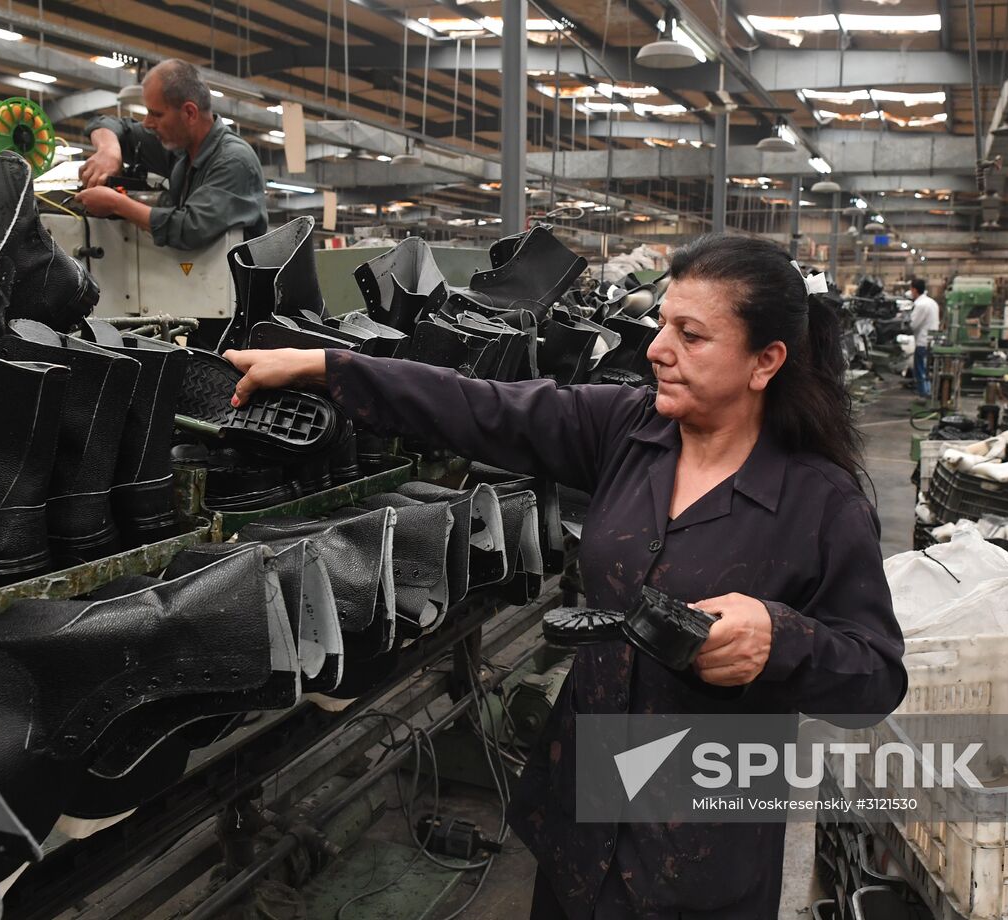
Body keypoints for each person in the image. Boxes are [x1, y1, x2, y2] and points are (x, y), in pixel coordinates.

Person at [223, 235, 907, 919]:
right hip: (582, 819)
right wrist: (325, 366)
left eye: (690, 335)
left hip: (695, 849)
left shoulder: (820, 504)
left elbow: (875, 679)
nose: (658, 348)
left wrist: (779, 639)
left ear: (766, 361)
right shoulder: (626, 430)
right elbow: (477, 406)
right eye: (663, 323)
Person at [73, 59, 268, 250]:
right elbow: (107, 124)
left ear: (190, 113)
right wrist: (109, 151)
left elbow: (191, 229)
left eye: (156, 114)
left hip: (232, 281)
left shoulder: (234, 160)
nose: (147, 123)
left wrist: (117, 204)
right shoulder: (179, 148)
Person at [907, 278, 939, 400]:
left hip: (922, 342)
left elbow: (913, 324)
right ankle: (929, 392)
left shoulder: (920, 305)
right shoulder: (932, 302)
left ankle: (923, 396)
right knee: (927, 369)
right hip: (932, 341)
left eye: (911, 289)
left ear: (914, 290)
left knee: (920, 369)